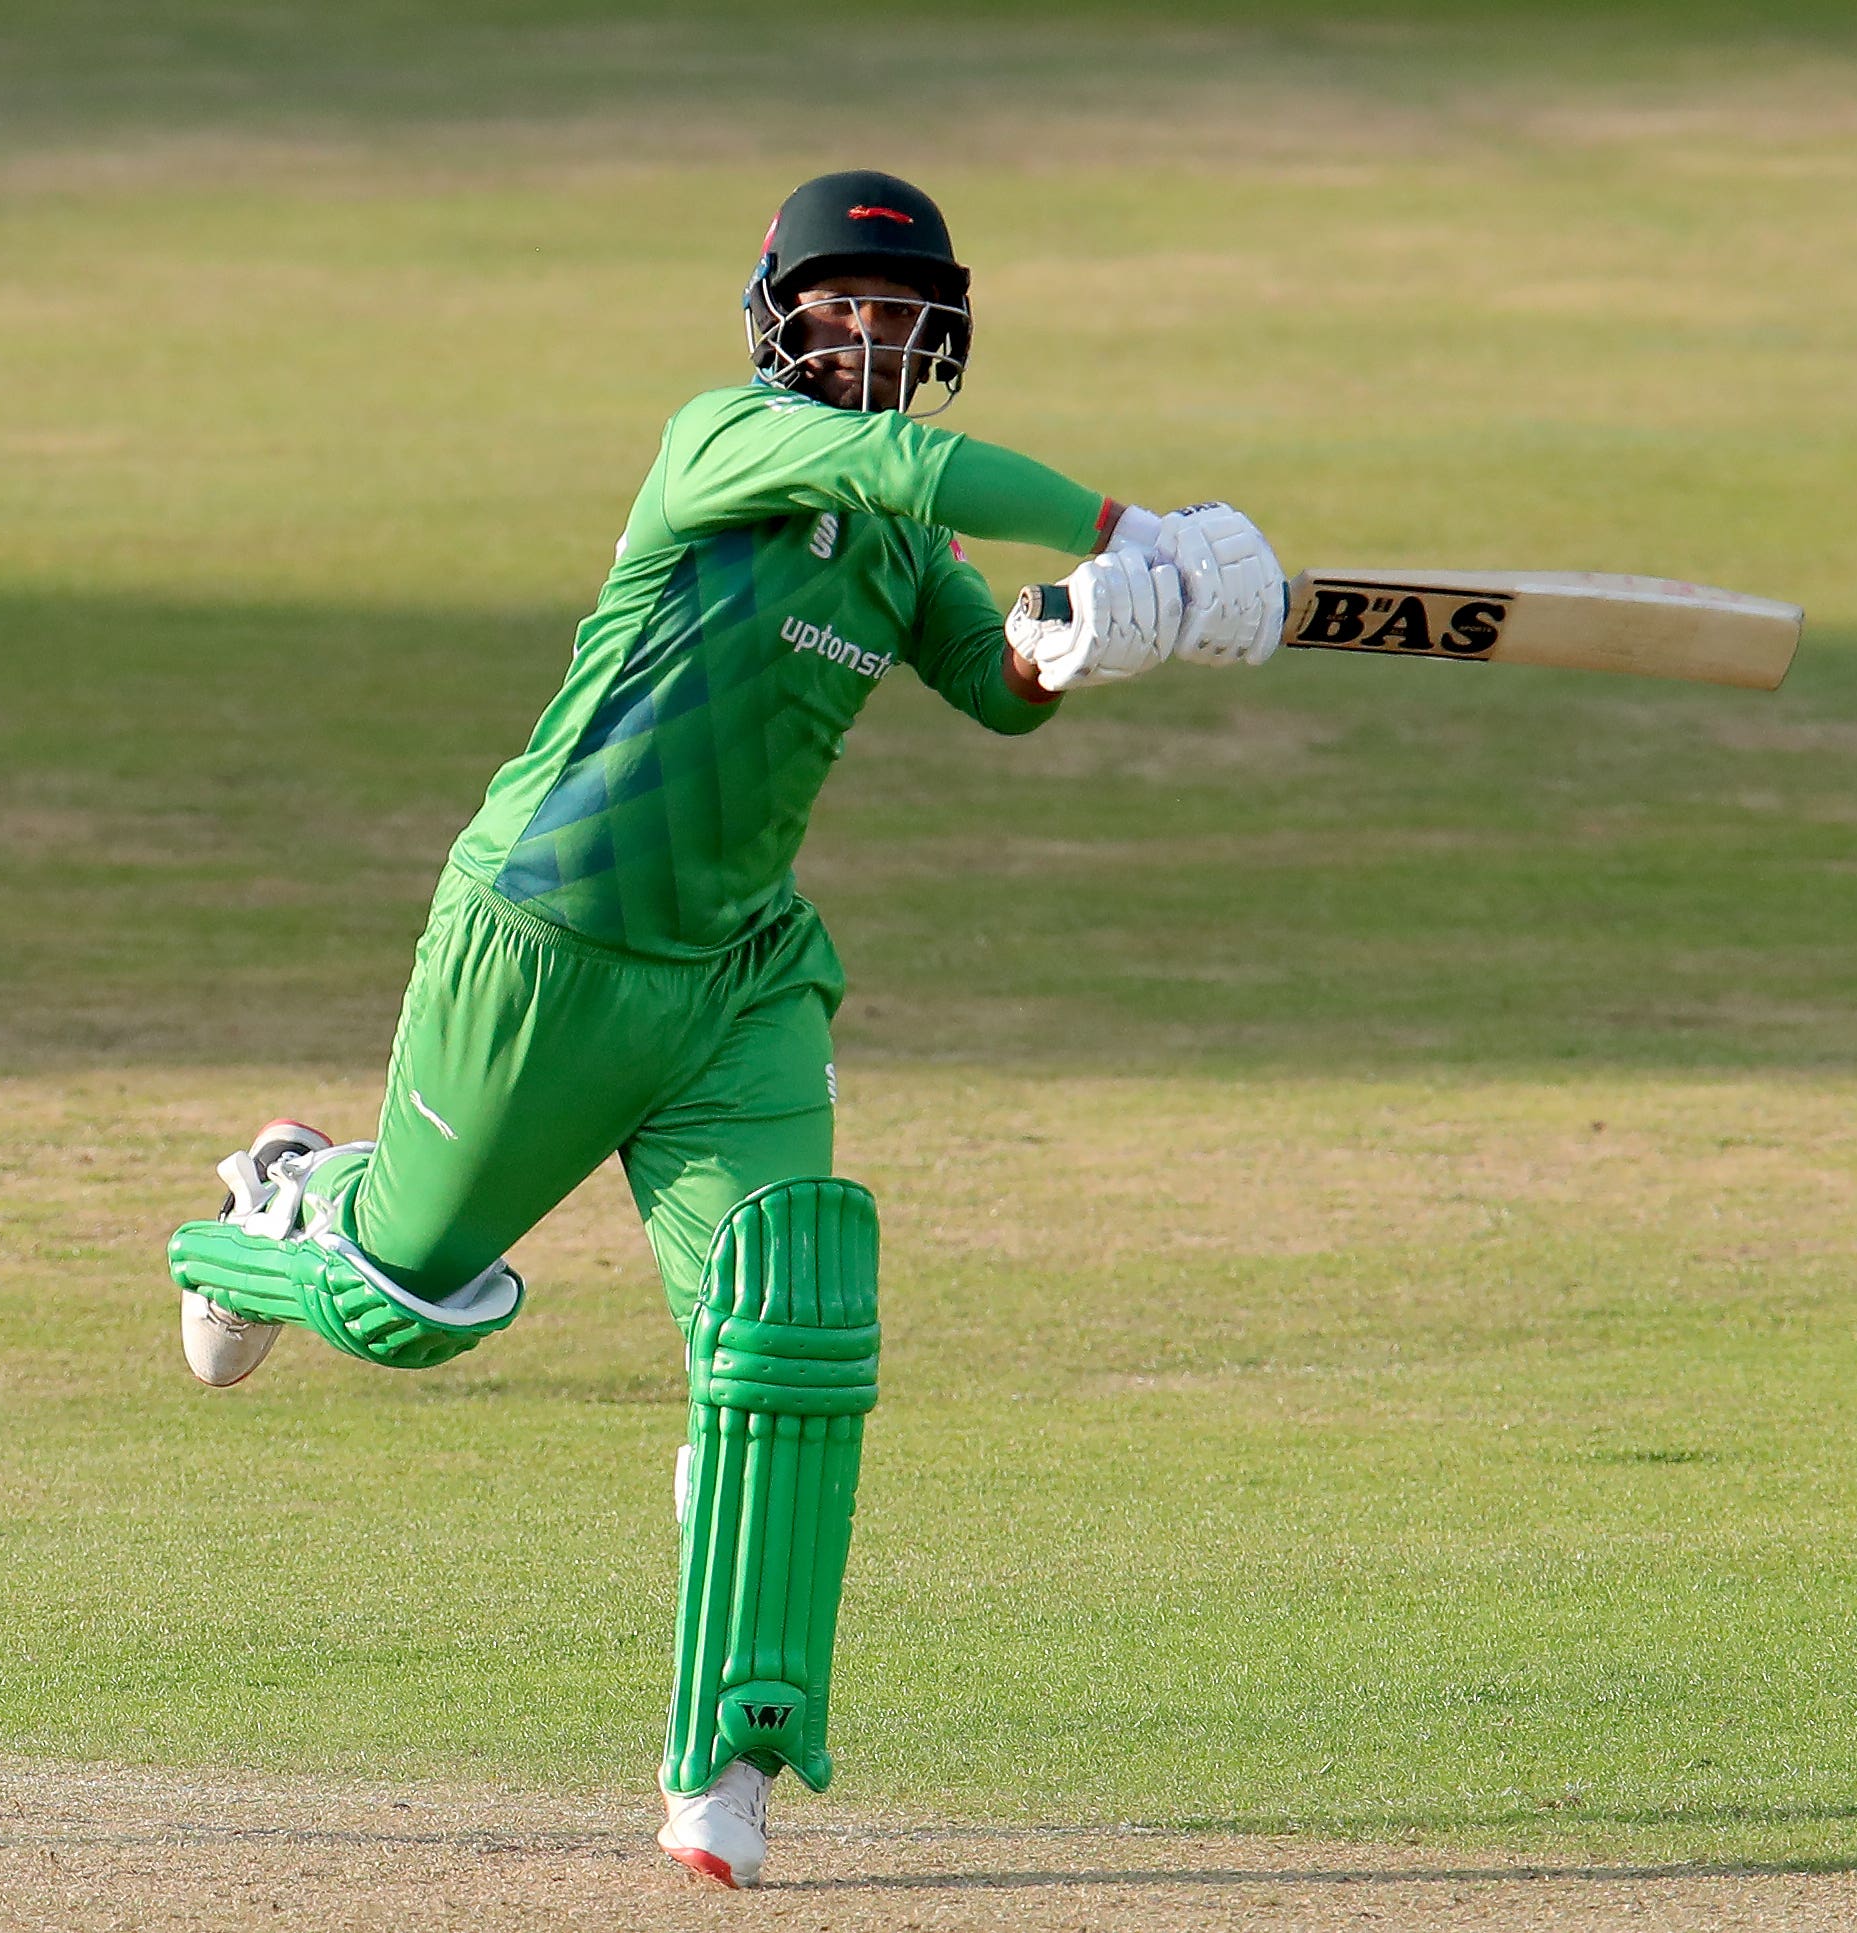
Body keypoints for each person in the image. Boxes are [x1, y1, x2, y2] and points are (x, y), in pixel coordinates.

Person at [165, 168, 1287, 1888]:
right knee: (407, 1307)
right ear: (778, 313)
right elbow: (906, 466)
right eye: (838, 302)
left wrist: (1094, 642)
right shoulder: (721, 443)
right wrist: (1131, 529)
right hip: (548, 943)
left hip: (740, 982)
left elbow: (995, 687)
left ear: (941, 333)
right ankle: (269, 1211)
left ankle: (727, 1763)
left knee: (787, 1327)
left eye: (901, 314)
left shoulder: (904, 547)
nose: (871, 334)